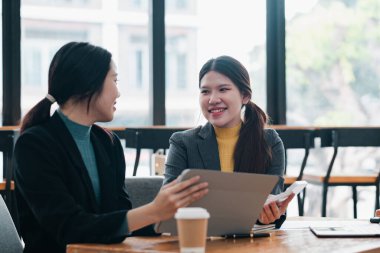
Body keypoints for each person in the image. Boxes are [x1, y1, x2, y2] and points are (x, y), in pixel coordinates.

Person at [14, 42, 208, 253]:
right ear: (89, 83)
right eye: (114, 80)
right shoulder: (34, 146)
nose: (118, 93)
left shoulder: (108, 143)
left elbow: (118, 217)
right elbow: (69, 228)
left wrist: (167, 217)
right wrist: (154, 211)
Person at [164, 55, 293, 227]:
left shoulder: (269, 142)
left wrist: (267, 215)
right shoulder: (183, 143)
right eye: (205, 91)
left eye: (223, 89)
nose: (213, 99)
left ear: (245, 96)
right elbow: (166, 205)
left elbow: (271, 202)